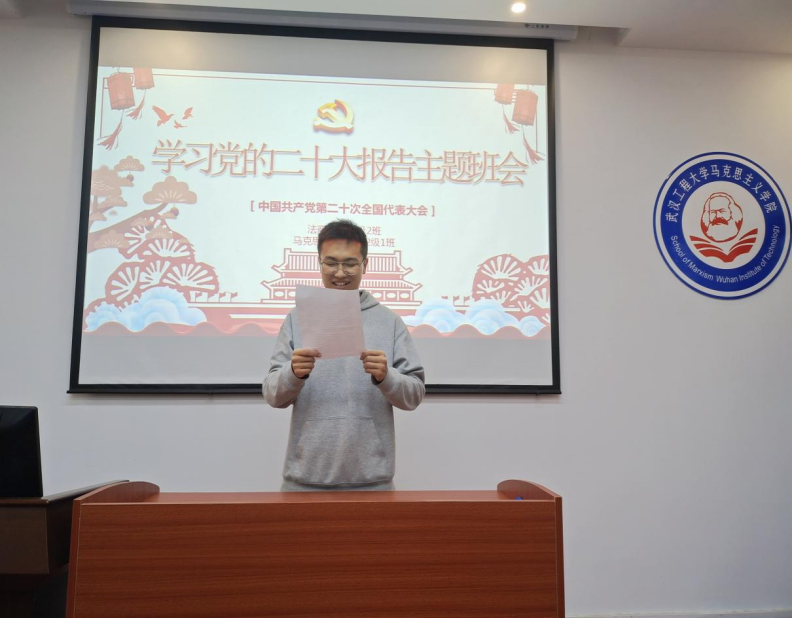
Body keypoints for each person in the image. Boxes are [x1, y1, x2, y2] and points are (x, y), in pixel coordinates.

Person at [263, 219, 425, 491]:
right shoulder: (296, 318)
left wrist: (387, 377)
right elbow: (272, 395)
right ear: (320, 263)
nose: (340, 273)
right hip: (303, 482)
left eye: (349, 263)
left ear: (365, 264)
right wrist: (293, 374)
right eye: (331, 263)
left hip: (373, 484)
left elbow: (414, 396)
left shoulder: (390, 322)